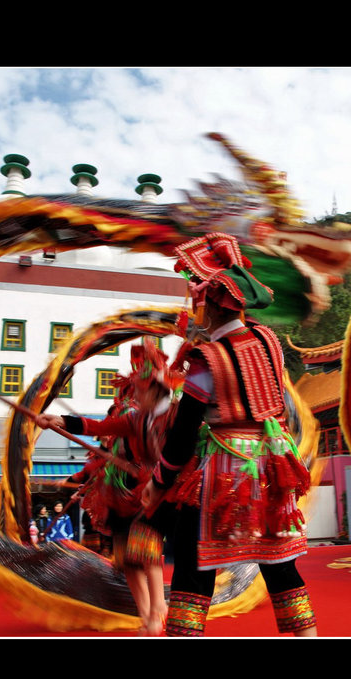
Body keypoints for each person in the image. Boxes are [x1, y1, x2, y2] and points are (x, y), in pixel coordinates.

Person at [141, 232, 318, 637]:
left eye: (198, 300)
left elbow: (184, 433)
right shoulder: (268, 341)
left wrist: (159, 481)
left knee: (194, 560)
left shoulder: (207, 358)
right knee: (278, 559)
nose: (194, 309)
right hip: (272, 462)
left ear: (212, 305)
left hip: (226, 467)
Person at [37, 336, 182, 635]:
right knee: (127, 559)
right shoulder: (135, 420)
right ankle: (146, 615)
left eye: (138, 391)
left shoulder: (178, 415)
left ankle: (158, 609)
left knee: (146, 551)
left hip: (160, 494)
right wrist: (60, 421)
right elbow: (99, 427)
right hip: (124, 495)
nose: (134, 397)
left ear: (154, 391)